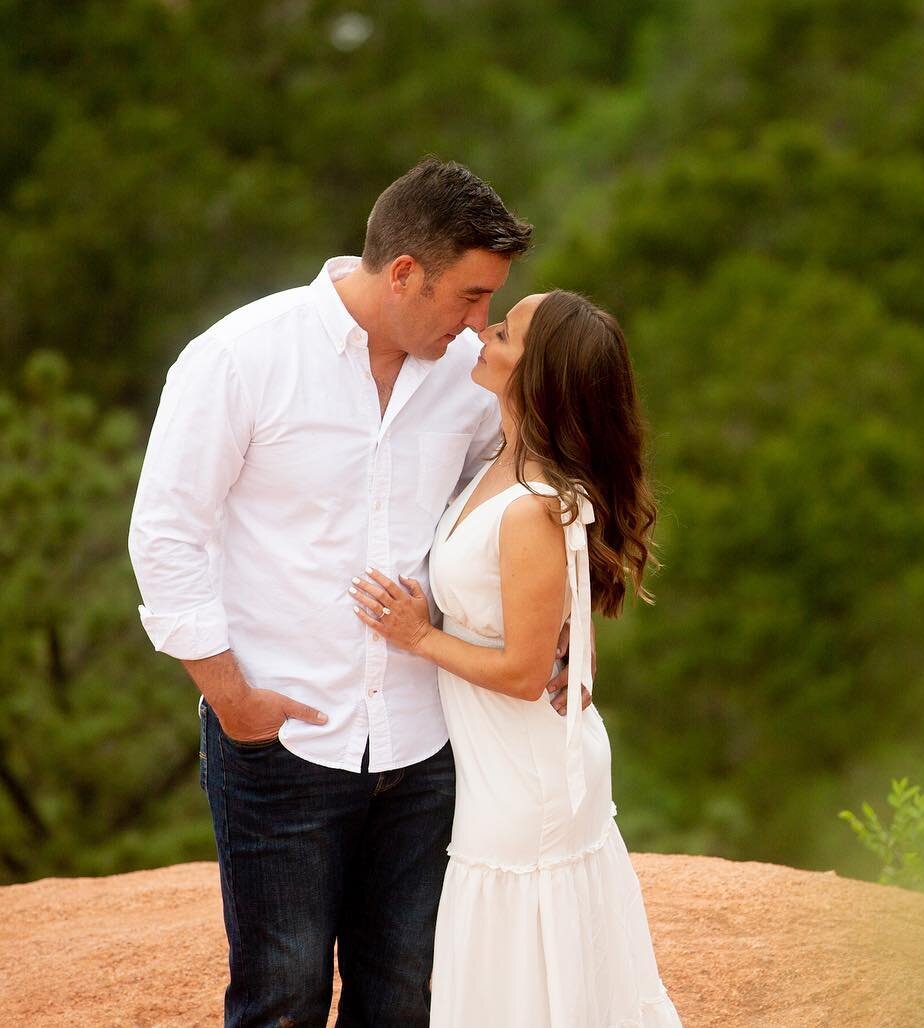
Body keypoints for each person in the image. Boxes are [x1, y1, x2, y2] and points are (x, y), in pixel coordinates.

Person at [129, 157, 555, 1026]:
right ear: (404, 272)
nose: (480, 324)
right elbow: (166, 533)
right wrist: (232, 699)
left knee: (402, 999)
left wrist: (544, 641)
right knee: (280, 998)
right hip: (282, 738)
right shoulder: (241, 357)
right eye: (469, 297)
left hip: (430, 743)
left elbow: (512, 511)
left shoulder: (470, 378)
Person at [350, 290, 681, 1026]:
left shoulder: (533, 503)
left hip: (523, 777)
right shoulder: (501, 459)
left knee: (519, 971)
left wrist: (419, 636)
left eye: (502, 332)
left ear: (537, 375)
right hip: (506, 762)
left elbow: (526, 674)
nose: (483, 334)